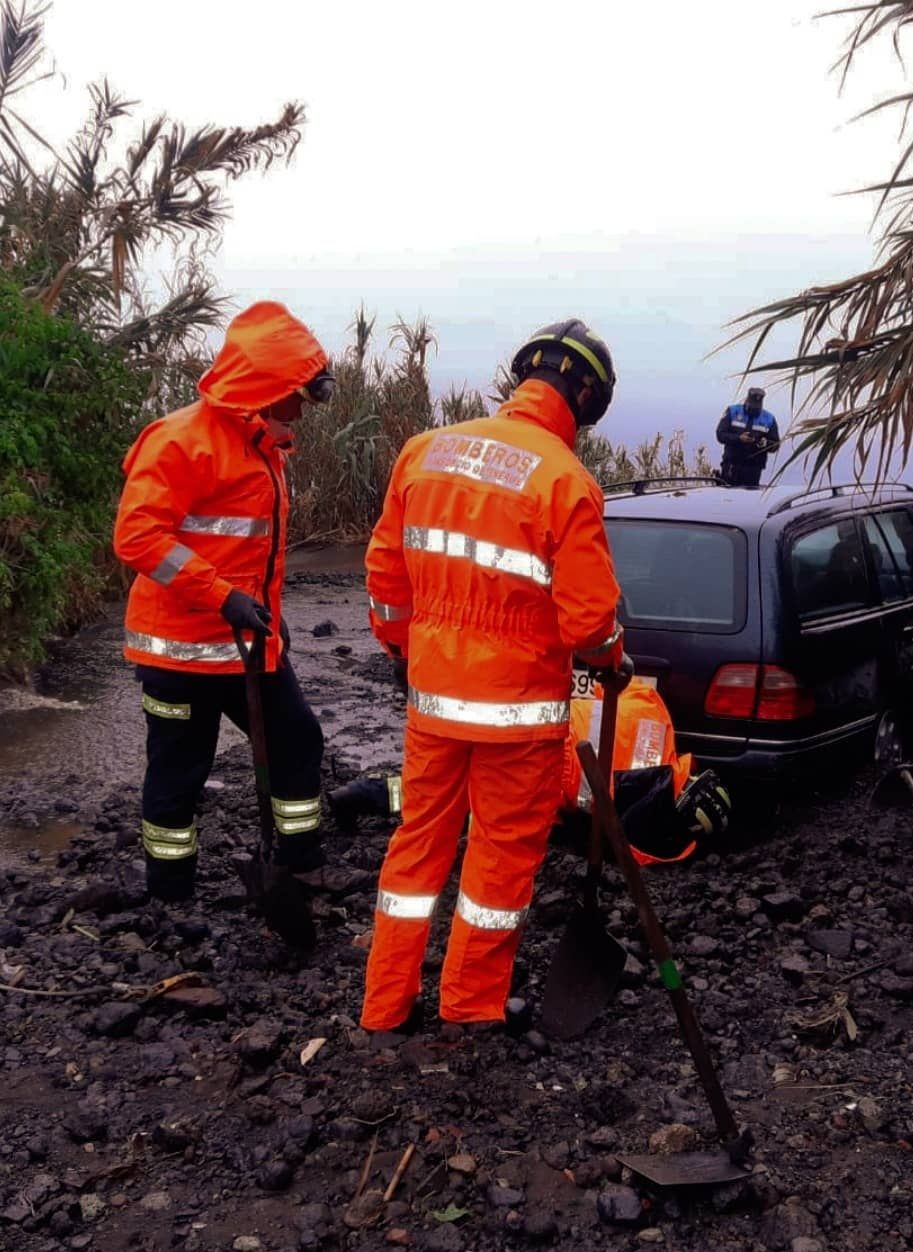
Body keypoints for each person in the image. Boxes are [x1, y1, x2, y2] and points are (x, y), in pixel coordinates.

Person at [361, 318, 632, 1033]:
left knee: (417, 845)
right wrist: (610, 656)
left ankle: (385, 1006)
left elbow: (387, 575)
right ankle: (471, 1007)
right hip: (517, 716)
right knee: (499, 862)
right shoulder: (566, 482)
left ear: (523, 379)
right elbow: (588, 621)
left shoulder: (426, 452)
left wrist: (402, 650)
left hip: (433, 705)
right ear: (584, 398)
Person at [113, 300, 344, 941]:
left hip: (248, 645)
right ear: (266, 389)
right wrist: (219, 596)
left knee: (297, 740)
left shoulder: (264, 446)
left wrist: (275, 621)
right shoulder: (180, 441)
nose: (304, 409)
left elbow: (252, 551)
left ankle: (298, 863)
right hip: (179, 652)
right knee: (179, 772)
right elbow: (137, 537)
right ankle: (171, 895)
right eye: (298, 394)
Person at [330, 676, 733, 865]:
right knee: (458, 803)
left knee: (446, 781)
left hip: (532, 717)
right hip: (534, 778)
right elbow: (631, 853)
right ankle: (368, 796)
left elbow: (610, 683)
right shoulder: (630, 811)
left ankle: (368, 794)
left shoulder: (654, 713)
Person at [716, 386, 780, 487]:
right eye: (751, 406)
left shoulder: (769, 419)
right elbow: (720, 435)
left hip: (754, 468)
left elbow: (775, 444)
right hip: (732, 464)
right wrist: (738, 438)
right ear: (747, 400)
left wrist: (764, 443)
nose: (753, 409)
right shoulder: (733, 412)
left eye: (756, 407)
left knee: (748, 499)